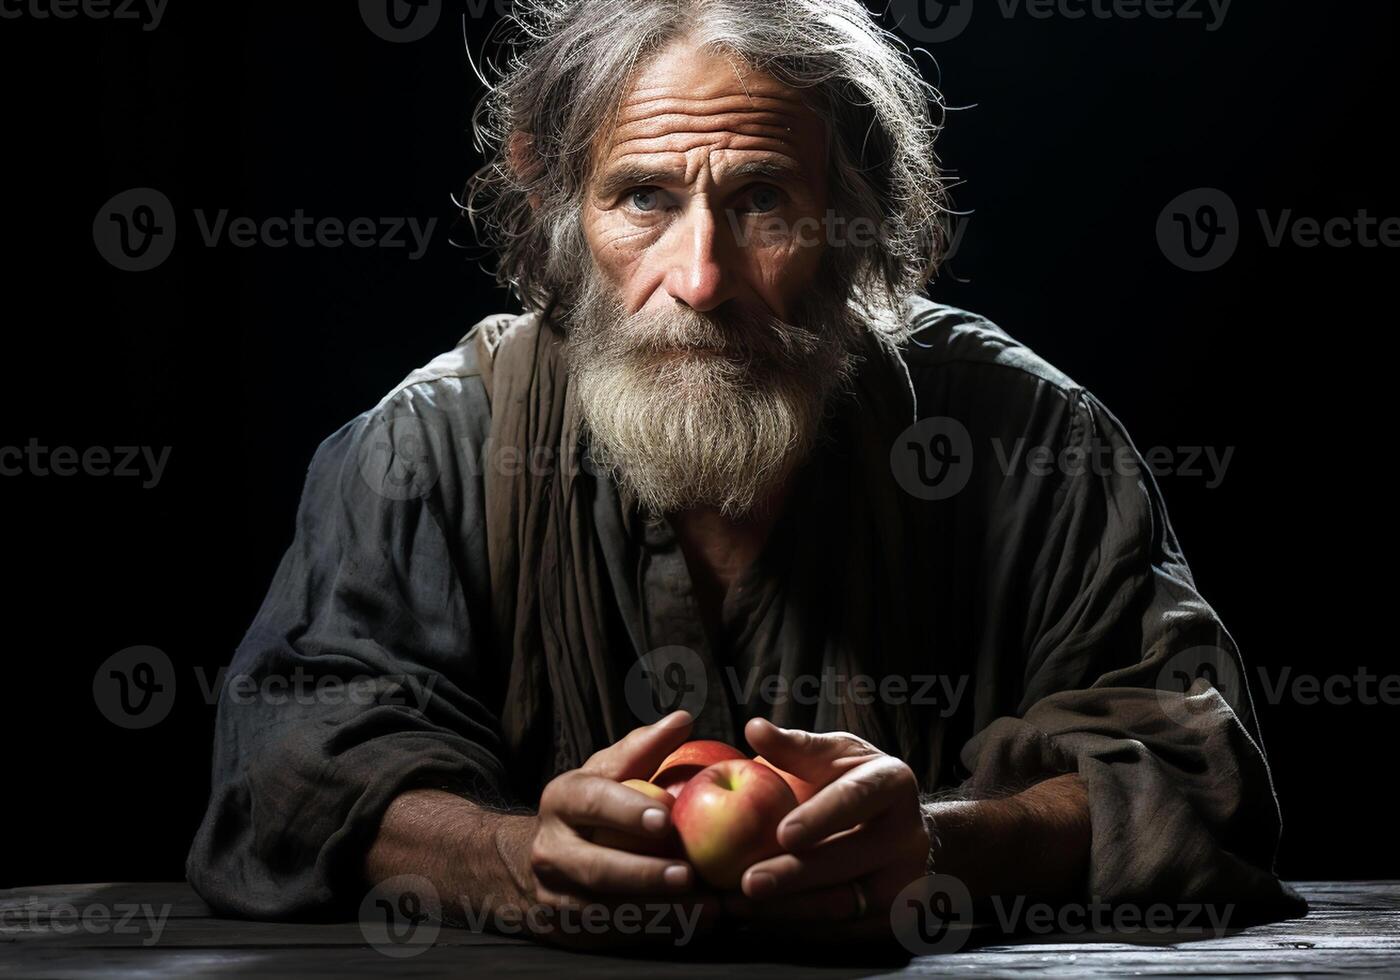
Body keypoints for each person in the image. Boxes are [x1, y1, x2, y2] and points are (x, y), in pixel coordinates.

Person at [187, 0, 1303, 946]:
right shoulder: (422, 447)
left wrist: (940, 845)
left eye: (762, 199)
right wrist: (510, 856)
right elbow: (288, 766)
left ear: (854, 212)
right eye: (642, 198)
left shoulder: (1032, 441)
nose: (703, 275)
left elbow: (1194, 771)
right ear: (557, 205)